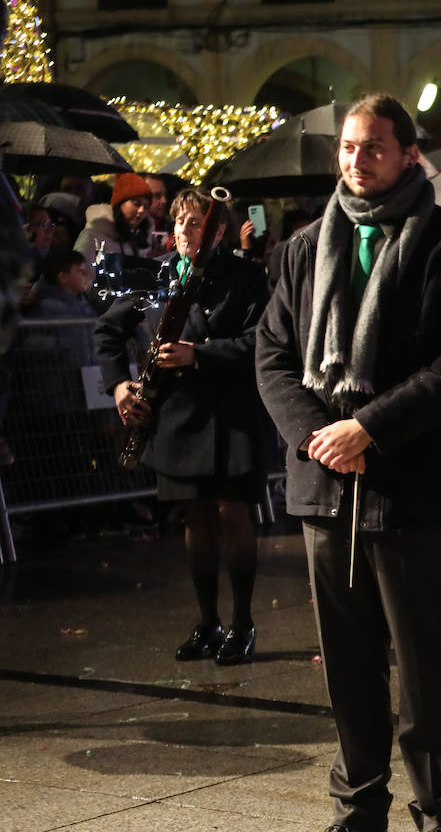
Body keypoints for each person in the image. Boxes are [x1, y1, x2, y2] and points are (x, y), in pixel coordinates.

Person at [255, 93, 441, 832]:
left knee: (424, 664)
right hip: (325, 487)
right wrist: (316, 437)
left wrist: (367, 426)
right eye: (348, 148)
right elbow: (273, 358)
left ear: (408, 155)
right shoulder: (303, 248)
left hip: (414, 486)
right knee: (347, 661)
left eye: (372, 148)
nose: (356, 160)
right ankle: (359, 801)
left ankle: (437, 805)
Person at [95, 188, 272, 667]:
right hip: (177, 414)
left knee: (234, 514)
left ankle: (242, 623)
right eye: (179, 223)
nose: (184, 231)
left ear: (218, 231)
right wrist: (117, 387)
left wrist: (201, 353)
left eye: (196, 223)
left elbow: (265, 341)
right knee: (195, 520)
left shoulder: (248, 276)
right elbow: (108, 331)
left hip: (233, 411)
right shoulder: (155, 275)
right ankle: (207, 621)